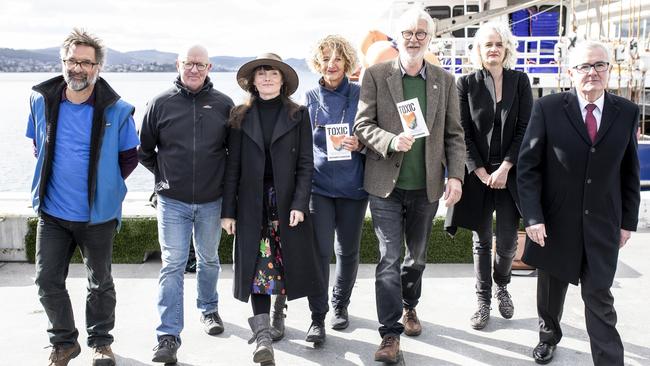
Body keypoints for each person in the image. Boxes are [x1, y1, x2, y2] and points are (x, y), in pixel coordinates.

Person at [517, 41, 640, 365]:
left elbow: (629, 172)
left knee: (599, 296)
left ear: (609, 71)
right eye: (584, 66)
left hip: (603, 224)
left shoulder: (626, 112)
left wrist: (628, 222)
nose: (592, 73)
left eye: (599, 65)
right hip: (555, 223)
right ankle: (548, 336)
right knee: (551, 290)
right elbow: (528, 167)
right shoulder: (548, 108)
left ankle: (610, 360)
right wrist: (533, 217)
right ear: (570, 72)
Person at [353, 8, 466, 363]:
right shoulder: (374, 75)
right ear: (396, 36)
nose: (414, 39)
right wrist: (389, 140)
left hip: (427, 186)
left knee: (416, 258)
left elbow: (454, 134)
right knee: (389, 257)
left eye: (420, 33)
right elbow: (362, 125)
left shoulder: (445, 81)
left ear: (429, 38)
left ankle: (409, 305)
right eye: (407, 33)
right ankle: (389, 334)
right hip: (385, 184)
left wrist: (456, 175)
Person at [27, 28, 139, 366]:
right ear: (63, 62)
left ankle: (101, 342)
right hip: (53, 212)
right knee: (46, 280)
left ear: (98, 67)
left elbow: (129, 157)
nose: (78, 68)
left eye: (86, 63)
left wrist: (106, 186)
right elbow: (38, 146)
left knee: (100, 282)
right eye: (72, 61)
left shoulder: (117, 110)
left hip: (97, 215)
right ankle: (64, 342)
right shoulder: (39, 100)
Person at [221, 53, 325, 366]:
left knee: (283, 266)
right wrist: (228, 212)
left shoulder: (298, 114)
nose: (267, 78)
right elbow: (232, 167)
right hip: (251, 205)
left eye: (273, 74)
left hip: (285, 204)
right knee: (256, 269)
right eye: (261, 74)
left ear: (283, 81)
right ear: (252, 81)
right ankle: (263, 337)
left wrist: (299, 204)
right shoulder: (239, 115)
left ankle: (282, 312)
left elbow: (306, 164)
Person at [138, 45, 234, 364]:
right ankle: (168, 335)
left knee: (208, 260)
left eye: (200, 64)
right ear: (178, 64)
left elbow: (233, 154)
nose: (194, 69)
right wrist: (165, 177)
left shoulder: (223, 104)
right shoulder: (160, 103)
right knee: (173, 264)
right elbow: (145, 151)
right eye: (188, 63)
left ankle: (208, 310)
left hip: (211, 201)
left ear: (210, 67)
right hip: (172, 202)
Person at [445, 22, 533, 330]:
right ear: (479, 51)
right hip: (478, 172)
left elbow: (525, 129)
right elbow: (461, 132)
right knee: (481, 240)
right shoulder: (465, 83)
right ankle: (482, 302)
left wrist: (506, 167)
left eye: (498, 43)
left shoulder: (520, 81)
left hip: (511, 173)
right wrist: (480, 171)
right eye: (487, 45)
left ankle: (502, 286)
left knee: (508, 241)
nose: (493, 48)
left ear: (506, 48)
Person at [299, 35, 368, 343]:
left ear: (347, 62)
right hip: (320, 186)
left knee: (348, 252)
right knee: (320, 252)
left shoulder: (361, 93)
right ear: (318, 63)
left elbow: (375, 130)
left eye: (338, 58)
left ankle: (341, 303)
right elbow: (302, 146)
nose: (331, 64)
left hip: (354, 185)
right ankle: (317, 317)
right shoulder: (310, 97)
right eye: (326, 58)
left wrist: (362, 143)